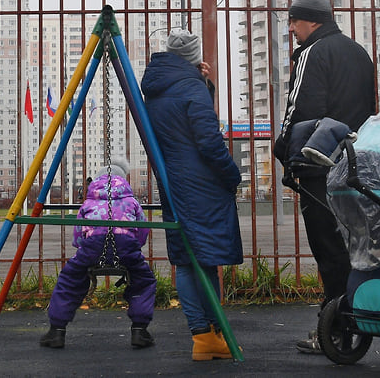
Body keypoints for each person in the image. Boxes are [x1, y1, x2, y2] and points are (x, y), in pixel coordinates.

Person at [272, 0, 376, 354]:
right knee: (356, 247)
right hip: (357, 164)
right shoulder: (360, 54)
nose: (291, 29)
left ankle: (336, 329)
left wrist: (284, 151)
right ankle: (358, 318)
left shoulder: (312, 53)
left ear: (311, 21)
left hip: (320, 166)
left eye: (294, 21)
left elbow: (301, 110)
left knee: (329, 250)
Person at [140, 30, 243, 361]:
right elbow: (208, 141)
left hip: (173, 180)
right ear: (193, 57)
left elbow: (178, 123)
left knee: (186, 261)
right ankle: (215, 333)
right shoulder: (190, 87)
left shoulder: (157, 85)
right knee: (208, 260)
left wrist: (202, 85)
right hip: (201, 184)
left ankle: (202, 337)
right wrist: (232, 174)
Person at [41, 159, 156, 350]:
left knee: (70, 279)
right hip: (126, 244)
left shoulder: (88, 202)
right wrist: (135, 247)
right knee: (143, 280)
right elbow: (143, 230)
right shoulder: (131, 201)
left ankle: (57, 331)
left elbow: (78, 233)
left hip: (92, 246)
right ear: (123, 180)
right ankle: (140, 330)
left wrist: (83, 251)